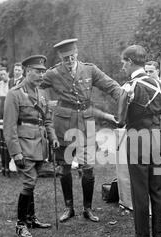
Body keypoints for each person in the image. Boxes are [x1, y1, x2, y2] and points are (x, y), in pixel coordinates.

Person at [41, 38, 120, 223]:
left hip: (86, 124)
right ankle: (69, 207)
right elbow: (37, 86)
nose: (68, 62)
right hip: (63, 124)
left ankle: (87, 208)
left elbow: (110, 85)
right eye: (65, 59)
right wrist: (45, 102)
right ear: (60, 57)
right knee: (64, 167)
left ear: (77, 53)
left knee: (89, 168)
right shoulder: (53, 74)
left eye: (71, 57)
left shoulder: (90, 70)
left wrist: (122, 97)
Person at [119, 45, 161, 237]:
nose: (123, 66)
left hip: (137, 141)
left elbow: (120, 119)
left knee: (140, 189)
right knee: (158, 188)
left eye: (124, 62)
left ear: (131, 62)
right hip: (157, 139)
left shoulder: (128, 87)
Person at [3, 54, 59, 237]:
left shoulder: (42, 94)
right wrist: (15, 152)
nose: (42, 75)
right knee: (29, 182)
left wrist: (53, 138)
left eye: (43, 71)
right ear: (27, 71)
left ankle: (31, 218)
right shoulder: (15, 93)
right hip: (24, 146)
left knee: (32, 183)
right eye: (38, 71)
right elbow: (9, 126)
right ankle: (20, 224)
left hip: (40, 145)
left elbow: (47, 120)